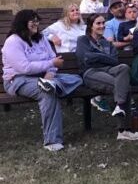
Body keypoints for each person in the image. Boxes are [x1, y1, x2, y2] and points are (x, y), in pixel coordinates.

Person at [1, 10, 83, 151]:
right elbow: (24, 68)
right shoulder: (13, 41)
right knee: (47, 93)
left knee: (77, 79)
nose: (36, 24)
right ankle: (52, 141)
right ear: (22, 23)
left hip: (43, 77)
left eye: (37, 21)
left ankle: (51, 84)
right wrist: (51, 64)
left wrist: (50, 74)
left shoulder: (41, 39)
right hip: (18, 80)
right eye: (32, 21)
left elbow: (54, 59)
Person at [75, 14, 138, 141]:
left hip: (109, 70)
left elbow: (114, 60)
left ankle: (119, 108)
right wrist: (103, 57)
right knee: (124, 86)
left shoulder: (106, 43)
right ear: (91, 26)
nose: (102, 26)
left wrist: (97, 56)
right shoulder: (83, 40)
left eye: (103, 23)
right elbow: (86, 58)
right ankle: (124, 130)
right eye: (98, 23)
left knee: (123, 67)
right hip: (91, 72)